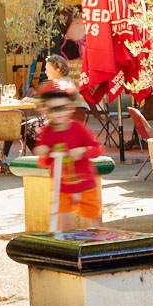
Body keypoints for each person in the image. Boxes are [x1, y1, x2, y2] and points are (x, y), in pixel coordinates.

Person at [35, 83, 104, 230]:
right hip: (62, 188)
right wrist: (43, 152)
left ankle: (96, 247)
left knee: (93, 225)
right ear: (45, 111)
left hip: (86, 185)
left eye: (63, 108)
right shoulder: (47, 132)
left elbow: (97, 149)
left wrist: (83, 151)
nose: (59, 113)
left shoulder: (78, 128)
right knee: (63, 225)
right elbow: (44, 163)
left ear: (70, 107)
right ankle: (67, 247)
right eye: (54, 109)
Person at [24, 54, 74, 151]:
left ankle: (39, 155)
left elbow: (49, 101)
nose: (45, 72)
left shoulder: (60, 84)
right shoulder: (62, 82)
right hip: (56, 119)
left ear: (57, 70)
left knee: (25, 127)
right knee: (25, 126)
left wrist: (29, 100)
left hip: (57, 120)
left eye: (48, 69)